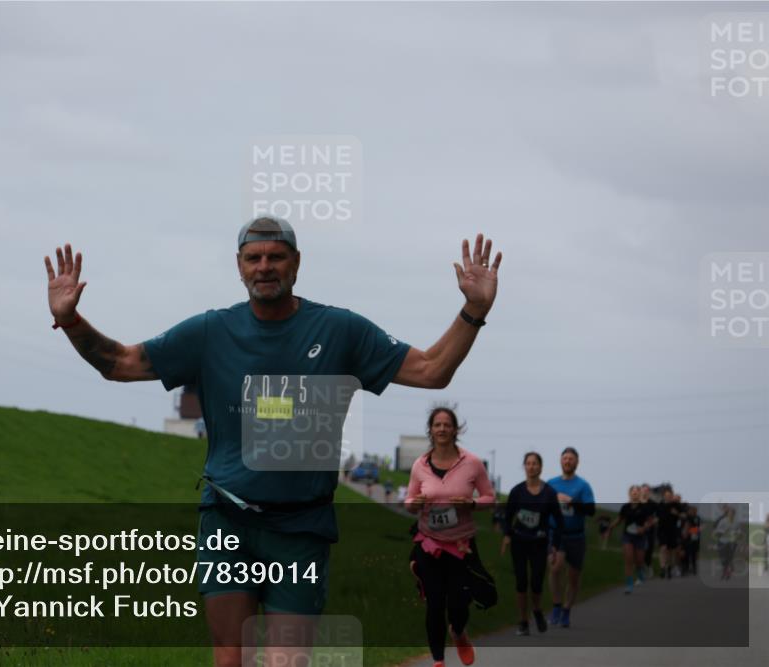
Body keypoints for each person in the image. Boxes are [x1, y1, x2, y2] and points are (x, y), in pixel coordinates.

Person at [44, 219, 503, 667]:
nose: (264, 266)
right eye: (253, 258)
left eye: (276, 256)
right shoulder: (210, 332)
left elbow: (431, 369)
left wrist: (473, 312)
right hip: (227, 521)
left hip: (301, 530)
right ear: (239, 266)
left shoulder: (340, 331)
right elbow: (120, 362)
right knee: (230, 658)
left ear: (296, 264)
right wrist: (70, 321)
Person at [406, 407, 496, 667]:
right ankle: (438, 661)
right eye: (437, 425)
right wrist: (415, 503)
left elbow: (490, 498)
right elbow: (409, 500)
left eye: (447, 425)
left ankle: (458, 632)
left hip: (461, 546)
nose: (442, 429)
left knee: (458, 603)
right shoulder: (419, 465)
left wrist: (472, 504)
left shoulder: (472, 463)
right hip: (429, 543)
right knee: (434, 603)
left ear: (456, 430)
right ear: (431, 430)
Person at [500, 452, 564, 636]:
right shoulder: (517, 491)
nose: (531, 466)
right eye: (528, 463)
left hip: (539, 542)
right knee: (521, 582)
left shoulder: (549, 493)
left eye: (535, 463)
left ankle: (536, 610)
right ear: (524, 467)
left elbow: (559, 522)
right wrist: (507, 535)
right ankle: (523, 622)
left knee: (536, 583)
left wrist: (555, 545)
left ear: (540, 467)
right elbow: (507, 516)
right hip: (519, 542)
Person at [546, 447, 595, 628]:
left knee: (573, 577)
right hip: (556, 533)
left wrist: (572, 502)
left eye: (571, 459)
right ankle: (557, 606)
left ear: (577, 462)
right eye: (565, 458)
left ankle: (567, 610)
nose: (567, 461)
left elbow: (591, 510)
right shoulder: (551, 483)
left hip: (576, 536)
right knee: (555, 567)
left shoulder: (583, 486)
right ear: (560, 461)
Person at [604, 485, 655, 594]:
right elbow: (619, 519)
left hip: (640, 537)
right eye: (633, 491)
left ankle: (640, 571)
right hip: (627, 536)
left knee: (639, 561)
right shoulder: (625, 507)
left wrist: (644, 527)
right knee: (629, 559)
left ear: (640, 494)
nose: (635, 493)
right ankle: (629, 585)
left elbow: (650, 521)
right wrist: (610, 528)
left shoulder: (644, 507)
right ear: (630, 494)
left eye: (637, 491)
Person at [656, 488, 681, 579]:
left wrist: (677, 513)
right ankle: (662, 568)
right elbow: (657, 516)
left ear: (672, 497)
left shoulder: (676, 506)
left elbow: (683, 516)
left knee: (670, 552)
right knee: (663, 548)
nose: (668, 498)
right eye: (666, 496)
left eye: (670, 496)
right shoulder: (660, 505)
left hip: (672, 531)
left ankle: (669, 568)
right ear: (664, 496)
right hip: (662, 530)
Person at [713, 505, 740, 580]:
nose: (731, 514)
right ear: (728, 513)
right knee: (723, 558)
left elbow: (738, 530)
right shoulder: (723, 521)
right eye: (730, 513)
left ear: (734, 514)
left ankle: (726, 571)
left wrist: (737, 533)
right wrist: (723, 531)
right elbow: (717, 530)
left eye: (733, 513)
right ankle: (725, 570)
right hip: (722, 541)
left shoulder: (736, 522)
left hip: (732, 542)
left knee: (729, 557)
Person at [639, 484, 658, 581]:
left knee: (648, 550)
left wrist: (649, 524)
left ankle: (648, 566)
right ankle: (640, 569)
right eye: (644, 490)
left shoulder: (653, 504)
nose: (645, 492)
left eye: (647, 490)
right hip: (637, 531)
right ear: (640, 491)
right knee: (639, 550)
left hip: (649, 530)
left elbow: (657, 517)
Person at [682, 504, 701, 576]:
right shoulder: (687, 518)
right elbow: (686, 529)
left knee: (694, 553)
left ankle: (694, 567)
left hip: (695, 538)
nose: (693, 512)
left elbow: (699, 528)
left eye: (695, 510)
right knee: (687, 553)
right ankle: (686, 568)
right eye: (692, 510)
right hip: (688, 539)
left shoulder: (698, 518)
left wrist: (694, 530)